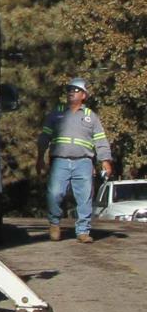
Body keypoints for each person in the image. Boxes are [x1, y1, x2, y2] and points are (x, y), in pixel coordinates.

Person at [43, 74, 116, 242]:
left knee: (84, 197)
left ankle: (83, 231)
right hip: (60, 161)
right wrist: (40, 157)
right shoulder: (57, 113)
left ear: (84, 95)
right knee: (54, 193)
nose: (71, 93)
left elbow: (100, 140)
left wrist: (105, 161)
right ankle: (54, 222)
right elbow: (44, 136)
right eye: (69, 90)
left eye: (76, 90)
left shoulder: (91, 116)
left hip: (83, 162)